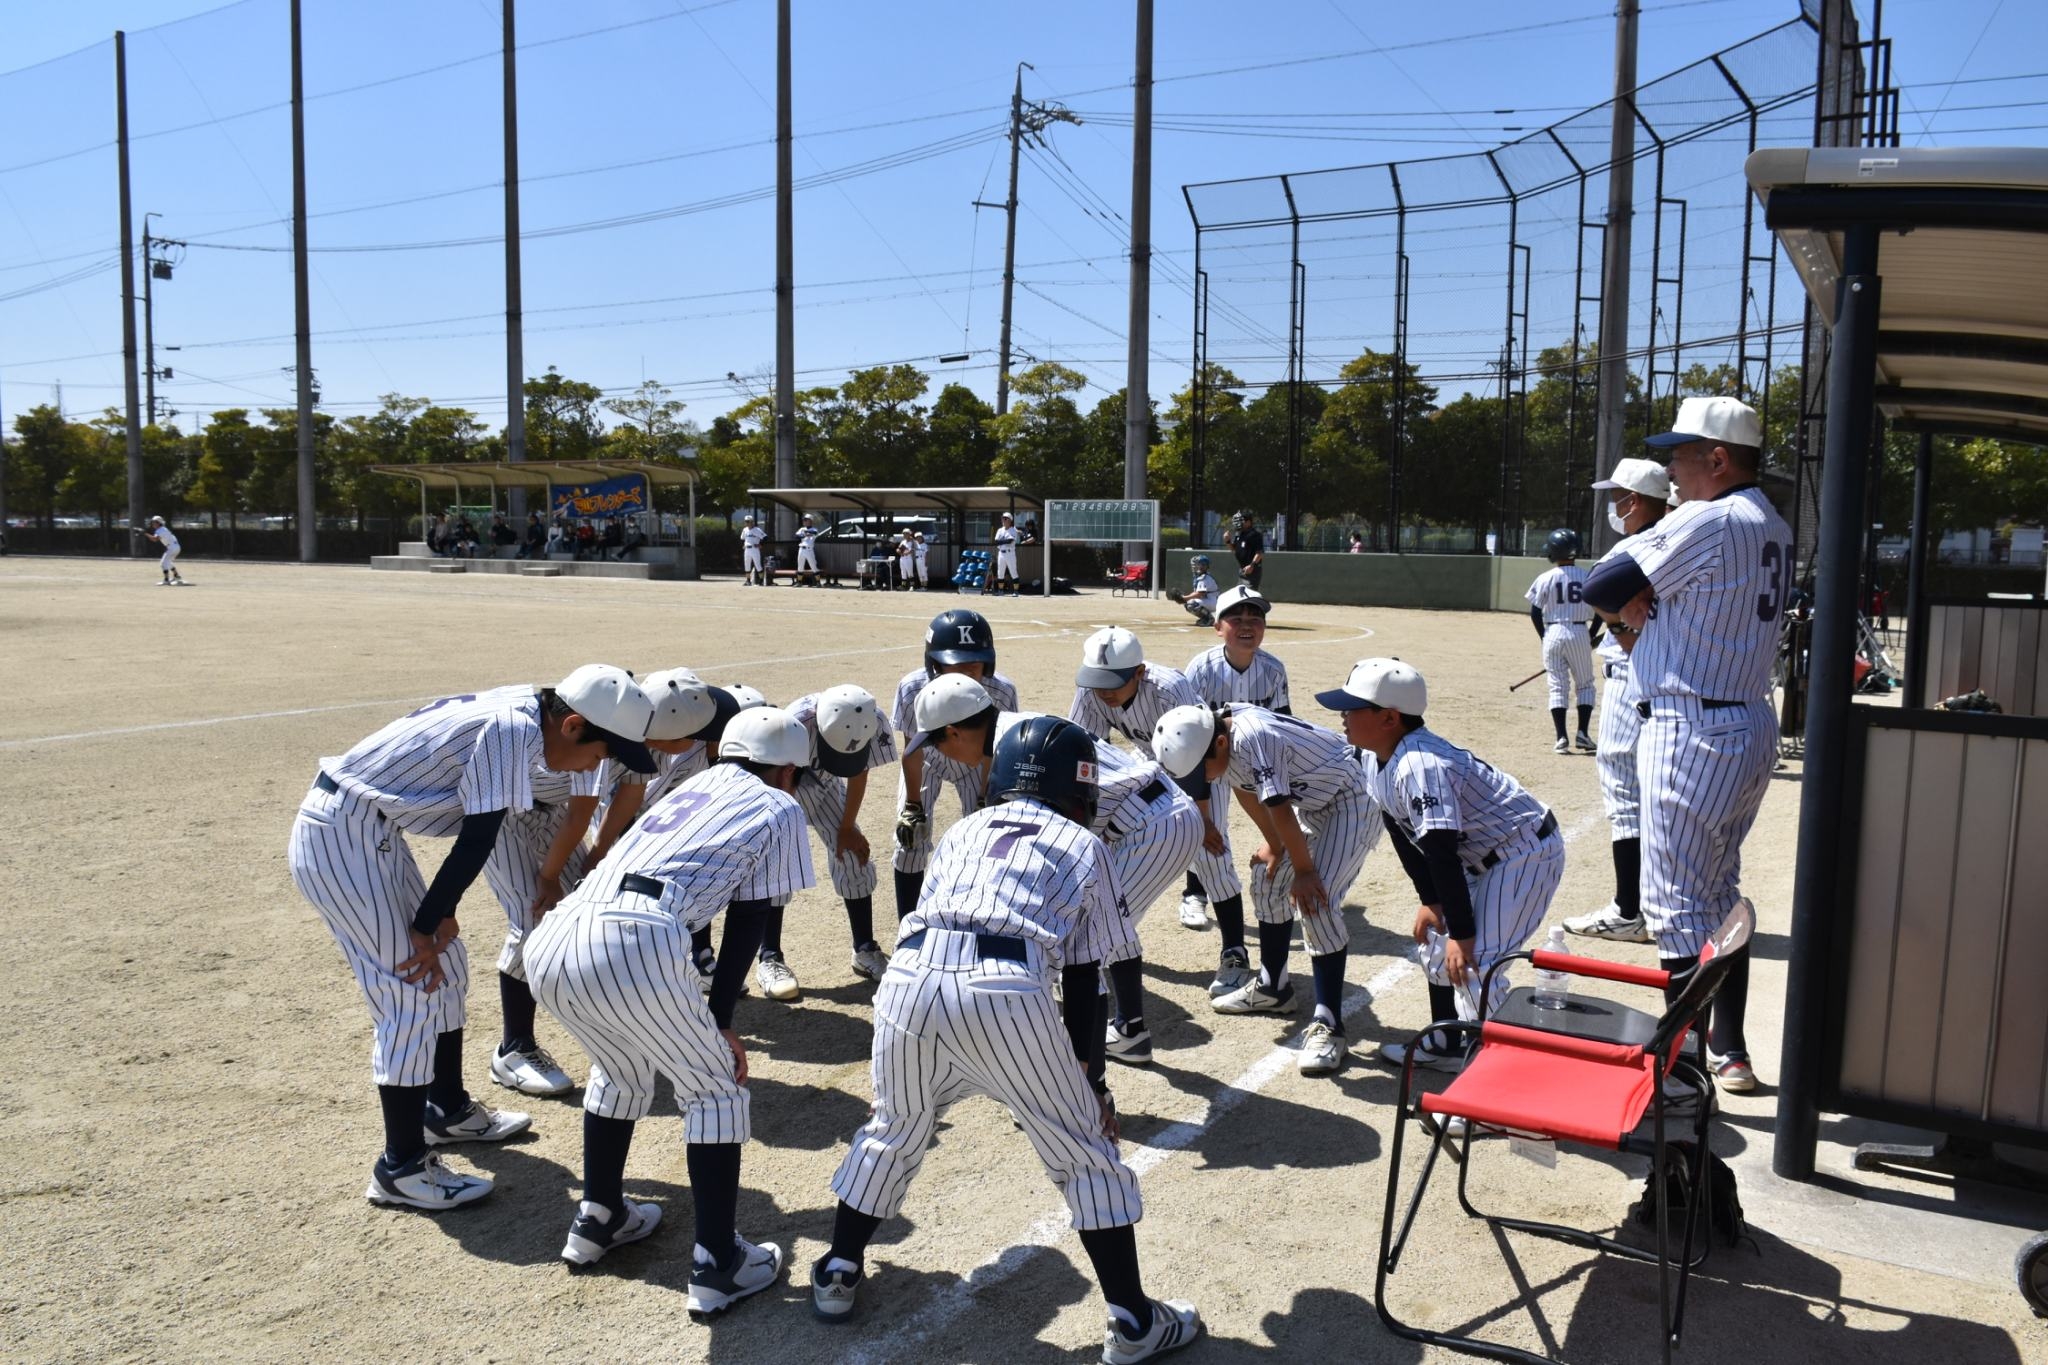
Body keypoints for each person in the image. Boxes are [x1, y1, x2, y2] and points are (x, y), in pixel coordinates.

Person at [815, 717, 1203, 1360]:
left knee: (895, 1129)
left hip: (910, 978)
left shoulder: (965, 830)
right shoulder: (1085, 846)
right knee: (1083, 1153)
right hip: (1003, 988)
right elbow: (1085, 976)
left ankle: (837, 1270)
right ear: (1082, 789)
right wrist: (1093, 1081)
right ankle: (1135, 1323)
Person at [286, 666, 656, 1211]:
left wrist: (439, 916)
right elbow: (479, 835)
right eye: (603, 751)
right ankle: (401, 1167)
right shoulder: (514, 729)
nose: (599, 766)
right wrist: (425, 922)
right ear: (574, 725)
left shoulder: (531, 716)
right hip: (341, 834)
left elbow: (476, 833)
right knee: (411, 989)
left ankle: (446, 1108)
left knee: (449, 967)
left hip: (369, 831)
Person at [525, 707, 814, 1302]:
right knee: (715, 1090)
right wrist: (723, 1022)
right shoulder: (779, 804)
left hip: (559, 933)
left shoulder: (695, 783)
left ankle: (599, 1215)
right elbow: (751, 915)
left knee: (620, 1071)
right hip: (637, 934)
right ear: (786, 771)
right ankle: (718, 1263)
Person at [1583, 394, 1792, 1094]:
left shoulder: (1714, 514)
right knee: (1719, 895)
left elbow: (1603, 581)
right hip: (1747, 718)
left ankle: (1684, 1065)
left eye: (1681, 455)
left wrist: (1626, 603)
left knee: (1673, 902)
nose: (1671, 469)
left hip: (1692, 724)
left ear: (1719, 458)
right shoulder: (1772, 521)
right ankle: (1728, 1050)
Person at [916, 674, 1203, 1067]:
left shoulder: (1015, 750)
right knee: (1111, 928)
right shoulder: (1018, 730)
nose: (938, 753)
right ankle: (1131, 1031)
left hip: (1151, 826)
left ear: (953, 731)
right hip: (1153, 818)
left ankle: (1081, 1079)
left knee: (1082, 948)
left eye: (935, 742)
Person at [1318, 659, 1564, 1070]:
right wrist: (1432, 900)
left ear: (1389, 718)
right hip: (1478, 857)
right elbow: (1401, 829)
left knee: (1473, 966)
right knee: (1435, 948)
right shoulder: (1372, 756)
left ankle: (1501, 1084)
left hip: (1525, 854)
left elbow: (1441, 851)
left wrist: (1463, 934)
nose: (1343, 716)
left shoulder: (1422, 766)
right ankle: (1449, 1045)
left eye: (1352, 708)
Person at [1151, 699, 1379, 1077]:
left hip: (1351, 801)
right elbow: (1244, 787)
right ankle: (1274, 988)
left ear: (1220, 745)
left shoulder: (1253, 736)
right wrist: (1275, 844)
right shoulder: (1217, 738)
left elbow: (1280, 804)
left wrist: (1304, 869)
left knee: (1315, 901)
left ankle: (1329, 1024)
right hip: (1312, 804)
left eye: (1200, 769)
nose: (1202, 778)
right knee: (1268, 878)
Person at [1565, 458, 1672, 945]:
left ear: (1634, 500)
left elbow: (1598, 592)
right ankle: (1648, 904)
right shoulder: (1675, 538)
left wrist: (1619, 628)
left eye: (1617, 497)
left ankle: (1630, 909)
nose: (1614, 505)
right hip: (1654, 674)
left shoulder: (1639, 544)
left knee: (1624, 789)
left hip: (1633, 674)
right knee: (1649, 791)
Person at [1068, 627, 1219, 937]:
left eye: (1113, 682)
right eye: (1098, 681)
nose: (1104, 691)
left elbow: (1196, 753)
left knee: (1208, 837)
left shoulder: (1169, 687)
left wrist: (1203, 817)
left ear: (1139, 672)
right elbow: (1088, 751)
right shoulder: (1091, 688)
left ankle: (1197, 895)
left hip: (1198, 754)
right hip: (1146, 753)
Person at [751, 684, 897, 999]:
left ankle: (864, 949)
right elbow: (775, 781)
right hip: (784, 787)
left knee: (854, 856)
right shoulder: (794, 725)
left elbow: (859, 772)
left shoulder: (870, 721)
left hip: (826, 786)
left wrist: (847, 827)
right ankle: (769, 957)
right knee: (777, 865)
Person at [1177, 584, 1288, 990]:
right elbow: (1189, 733)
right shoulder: (1201, 669)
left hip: (1253, 761)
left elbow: (1282, 724)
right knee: (1208, 831)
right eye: (1235, 620)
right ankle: (1195, 893)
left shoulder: (1273, 669)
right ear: (1217, 627)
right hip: (1207, 762)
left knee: (1270, 826)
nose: (1246, 626)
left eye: (1254, 619)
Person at [889, 609, 1022, 920]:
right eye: (954, 666)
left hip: (978, 761)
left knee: (986, 840)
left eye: (972, 667)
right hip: (930, 757)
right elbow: (912, 749)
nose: (964, 673)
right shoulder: (912, 689)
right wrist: (913, 803)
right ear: (934, 663)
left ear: (987, 663)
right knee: (909, 841)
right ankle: (908, 930)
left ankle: (977, 918)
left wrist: (984, 798)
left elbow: (993, 748)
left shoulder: (1002, 692)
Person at [1526, 528, 1599, 754]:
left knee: (1557, 685)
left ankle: (1561, 738)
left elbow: (1535, 613)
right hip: (1579, 631)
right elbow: (1599, 610)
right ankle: (1583, 734)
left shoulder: (1545, 578)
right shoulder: (1588, 576)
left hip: (1554, 631)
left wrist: (1544, 637)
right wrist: (1591, 634)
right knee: (1585, 684)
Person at [1168, 555, 1219, 627]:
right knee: (1188, 603)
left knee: (1191, 604)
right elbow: (1197, 593)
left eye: (1198, 564)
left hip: (1213, 601)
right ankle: (1205, 618)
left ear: (1204, 565)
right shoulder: (1200, 576)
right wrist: (1185, 598)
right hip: (1209, 600)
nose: (1196, 566)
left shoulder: (1204, 578)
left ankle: (1209, 619)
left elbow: (1199, 594)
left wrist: (1184, 598)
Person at [141, 515, 185, 585]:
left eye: (154, 522)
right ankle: (177, 576)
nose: (153, 524)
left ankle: (166, 580)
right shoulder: (163, 529)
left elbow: (155, 539)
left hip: (172, 547)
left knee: (163, 563)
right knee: (168, 562)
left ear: (159, 523)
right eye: (152, 522)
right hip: (176, 547)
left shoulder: (160, 530)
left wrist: (144, 533)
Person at [1227, 510, 1266, 590]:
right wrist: (1227, 541)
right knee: (1239, 594)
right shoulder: (1239, 534)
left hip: (1252, 570)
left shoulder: (1255, 535)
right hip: (1242, 569)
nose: (1237, 524)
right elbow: (1234, 549)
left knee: (1249, 595)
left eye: (1241, 521)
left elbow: (1259, 553)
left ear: (1248, 522)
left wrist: (1252, 565)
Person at [992, 512, 1021, 596]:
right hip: (1001, 553)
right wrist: (1003, 542)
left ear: (1009, 520)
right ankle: (1001, 590)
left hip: (1010, 553)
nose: (1003, 520)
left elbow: (1010, 541)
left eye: (1005, 518)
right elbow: (996, 542)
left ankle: (1016, 591)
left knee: (1013, 572)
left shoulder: (1013, 530)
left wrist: (1001, 542)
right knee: (1000, 572)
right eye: (1002, 518)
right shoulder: (1000, 530)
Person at [739, 515, 767, 586]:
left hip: (754, 549)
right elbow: (743, 538)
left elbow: (765, 537)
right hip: (747, 549)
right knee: (747, 565)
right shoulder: (745, 529)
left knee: (758, 565)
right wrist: (744, 544)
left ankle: (761, 580)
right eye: (746, 521)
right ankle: (748, 581)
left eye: (748, 521)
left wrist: (761, 545)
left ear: (752, 522)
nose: (747, 523)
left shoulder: (757, 530)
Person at [795, 513, 821, 586]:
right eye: (804, 520)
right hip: (801, 549)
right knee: (800, 566)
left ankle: (818, 582)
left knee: (813, 566)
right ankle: (799, 582)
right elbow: (796, 536)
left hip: (809, 550)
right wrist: (804, 534)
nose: (804, 521)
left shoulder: (814, 529)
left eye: (806, 520)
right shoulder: (802, 529)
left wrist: (807, 533)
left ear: (810, 521)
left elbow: (815, 533)